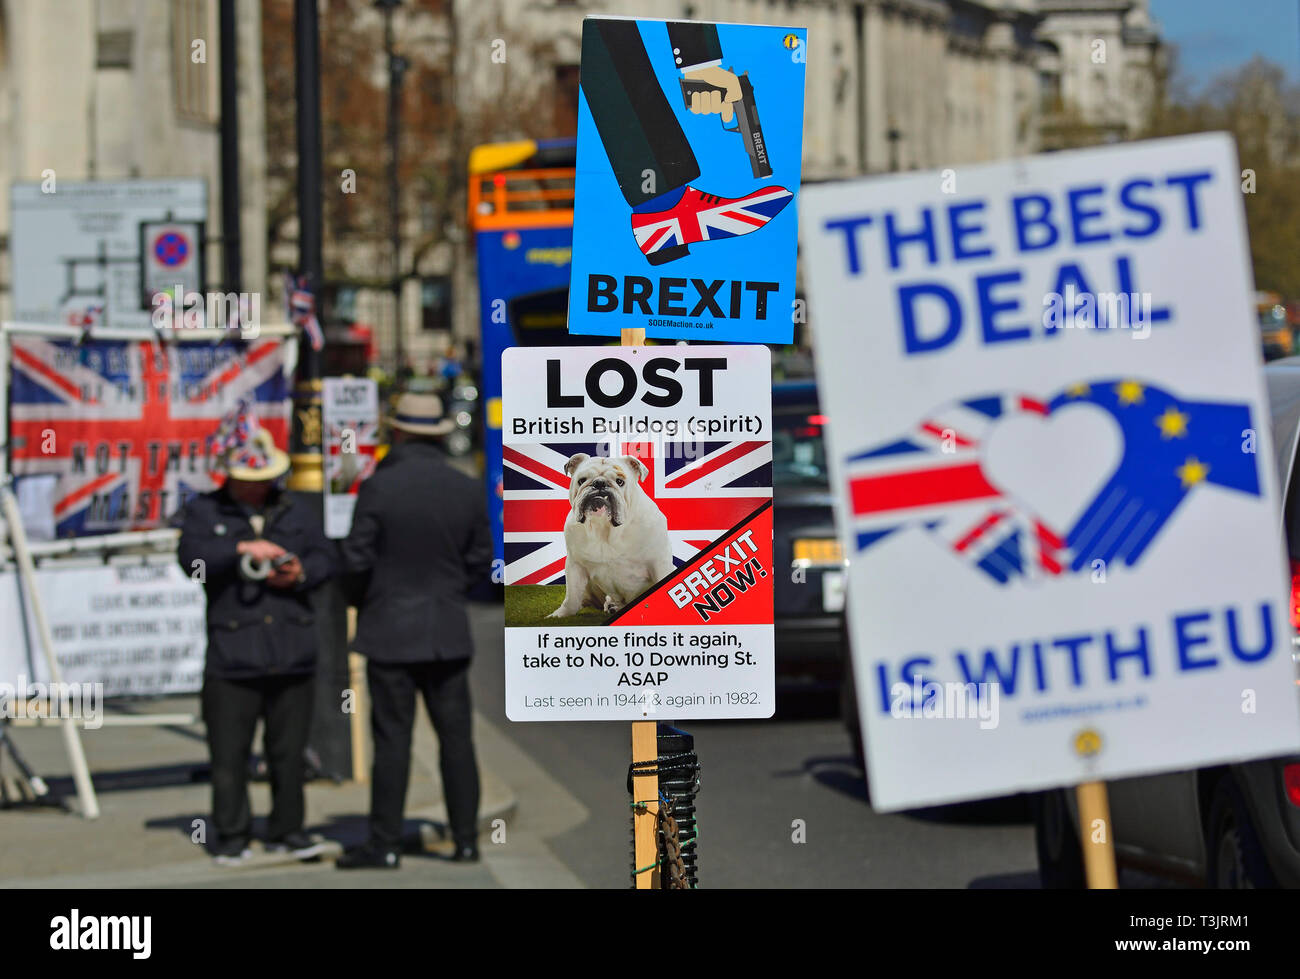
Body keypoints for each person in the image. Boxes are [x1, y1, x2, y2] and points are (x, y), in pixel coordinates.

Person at [337, 392, 492, 869]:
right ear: (442, 434)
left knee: (392, 742)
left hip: (389, 631)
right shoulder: (464, 486)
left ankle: (383, 844)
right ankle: (466, 841)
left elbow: (356, 560)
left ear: (397, 433)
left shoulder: (378, 488)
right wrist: (448, 595)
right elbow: (481, 562)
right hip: (446, 630)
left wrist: (365, 600)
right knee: (457, 739)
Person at [178, 406, 334, 866]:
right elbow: (192, 559)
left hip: (291, 650)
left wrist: (300, 571)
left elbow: (328, 561)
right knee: (229, 755)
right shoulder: (205, 511)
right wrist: (241, 548)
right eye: (251, 477)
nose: (259, 485)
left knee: (288, 753)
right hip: (234, 654)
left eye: (265, 476)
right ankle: (230, 834)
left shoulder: (296, 509)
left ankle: (290, 830)